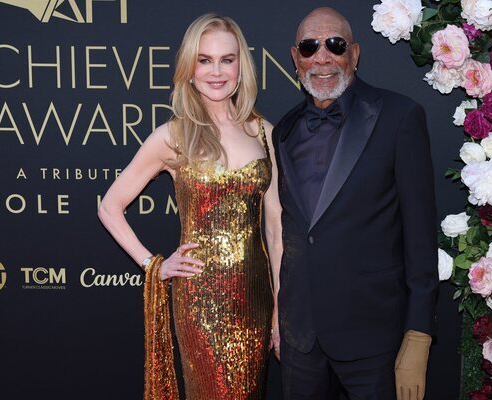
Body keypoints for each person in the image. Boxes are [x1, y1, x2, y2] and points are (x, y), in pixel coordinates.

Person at [98, 14, 282, 400]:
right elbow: (110, 206)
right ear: (189, 69)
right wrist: (155, 265)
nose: (216, 71)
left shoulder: (264, 132)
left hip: (256, 299)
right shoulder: (172, 136)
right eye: (204, 60)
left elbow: (276, 228)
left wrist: (281, 308)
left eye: (226, 60)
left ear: (240, 67)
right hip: (200, 301)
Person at [271, 7, 439, 400]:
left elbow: (420, 236)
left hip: (375, 339)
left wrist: (418, 334)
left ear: (355, 53)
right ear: (296, 59)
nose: (323, 57)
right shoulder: (284, 131)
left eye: (335, 45)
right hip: (301, 341)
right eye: (310, 47)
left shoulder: (399, 117)